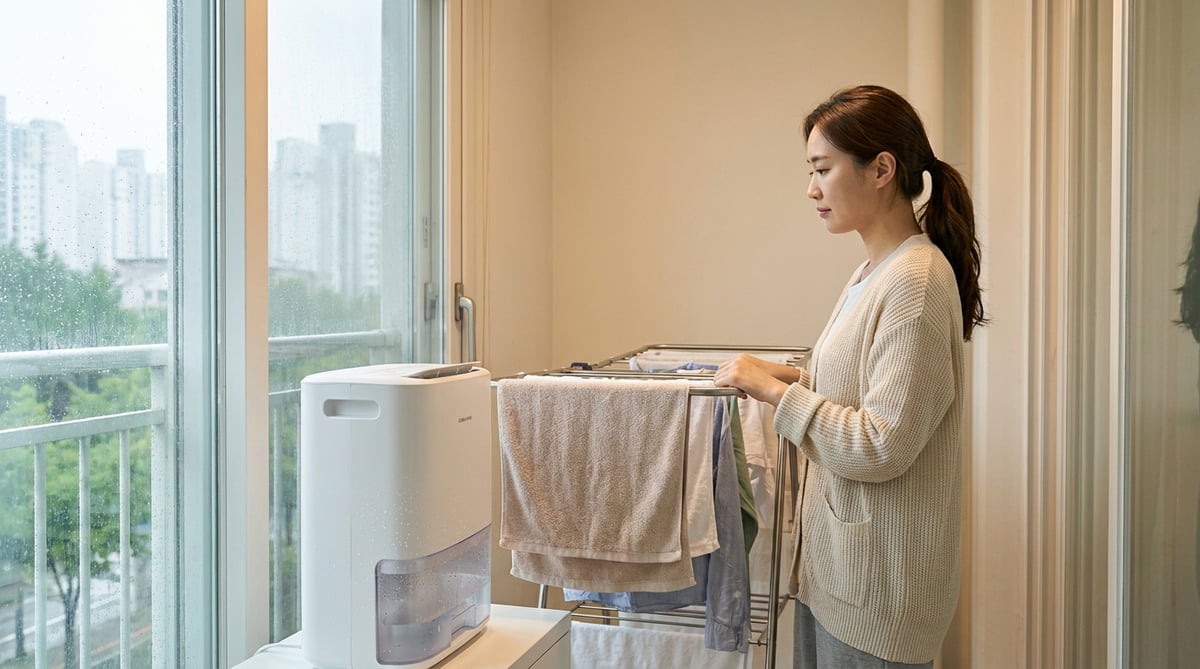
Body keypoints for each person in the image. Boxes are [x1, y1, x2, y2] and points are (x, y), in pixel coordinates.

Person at [713, 84, 986, 668]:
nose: (811, 189)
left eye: (822, 169)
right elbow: (852, 384)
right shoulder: (875, 270)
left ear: (881, 168)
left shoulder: (915, 280)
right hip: (842, 574)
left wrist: (772, 393)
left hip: (880, 596)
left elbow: (882, 443)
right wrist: (782, 374)